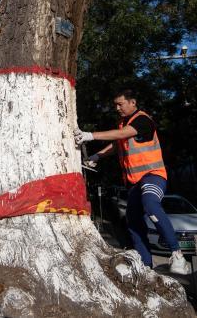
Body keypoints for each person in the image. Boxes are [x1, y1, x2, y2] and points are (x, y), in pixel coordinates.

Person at [74, 89, 190, 274]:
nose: (117, 108)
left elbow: (121, 135)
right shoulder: (123, 123)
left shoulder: (143, 120)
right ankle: (145, 265)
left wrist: (91, 135)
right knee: (133, 220)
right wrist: (97, 155)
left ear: (133, 102)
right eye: (115, 105)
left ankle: (177, 254)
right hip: (134, 183)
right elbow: (117, 143)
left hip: (153, 176)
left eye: (120, 104)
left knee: (150, 204)